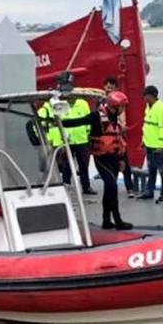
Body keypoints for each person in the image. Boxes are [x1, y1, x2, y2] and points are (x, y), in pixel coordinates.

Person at [59, 91, 134, 230]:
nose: (124, 109)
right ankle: (118, 220)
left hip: (114, 159)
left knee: (109, 189)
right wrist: (58, 122)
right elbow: (78, 122)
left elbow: (118, 140)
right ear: (115, 106)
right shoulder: (96, 116)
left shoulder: (115, 120)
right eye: (122, 106)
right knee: (112, 185)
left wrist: (122, 160)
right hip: (102, 158)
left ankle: (106, 221)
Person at [103, 76, 135, 197]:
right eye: (107, 87)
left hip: (117, 136)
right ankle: (112, 187)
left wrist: (120, 127)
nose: (109, 89)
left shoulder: (118, 102)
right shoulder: (101, 101)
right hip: (106, 139)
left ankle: (129, 188)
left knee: (124, 162)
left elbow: (122, 119)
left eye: (111, 88)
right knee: (109, 164)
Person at [138, 85, 163, 203]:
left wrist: (161, 146)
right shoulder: (148, 107)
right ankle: (149, 191)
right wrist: (143, 140)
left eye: (146, 96)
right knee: (151, 169)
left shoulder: (161, 109)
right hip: (149, 144)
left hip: (158, 147)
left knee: (162, 170)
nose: (144, 98)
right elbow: (147, 126)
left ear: (152, 96)